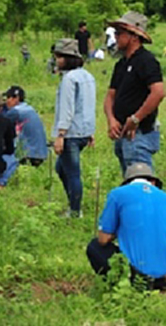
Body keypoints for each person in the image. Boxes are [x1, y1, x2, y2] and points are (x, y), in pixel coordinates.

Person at [87, 163, 166, 291]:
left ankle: (123, 285)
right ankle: (162, 286)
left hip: (137, 275)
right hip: (163, 277)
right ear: (153, 182)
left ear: (127, 182)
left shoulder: (117, 195)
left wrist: (121, 230)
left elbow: (103, 239)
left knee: (94, 247)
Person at [104, 11, 165, 174]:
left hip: (139, 134)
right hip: (122, 132)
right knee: (128, 179)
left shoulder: (146, 60)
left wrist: (136, 118)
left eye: (120, 33)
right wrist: (111, 120)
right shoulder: (121, 64)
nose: (116, 37)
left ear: (134, 36)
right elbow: (110, 96)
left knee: (140, 181)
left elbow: (158, 92)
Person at [53, 38, 97, 217]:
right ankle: (73, 202)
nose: (56, 60)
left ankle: (75, 210)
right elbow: (89, 104)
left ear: (67, 58)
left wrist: (60, 134)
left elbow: (67, 107)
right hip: (84, 131)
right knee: (61, 168)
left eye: (59, 56)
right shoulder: (88, 76)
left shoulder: (69, 79)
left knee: (72, 173)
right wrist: (91, 131)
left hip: (70, 132)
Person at [3, 85, 48, 167]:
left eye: (8, 97)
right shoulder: (29, 108)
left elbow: (0, 126)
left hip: (29, 154)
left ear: (16, 98)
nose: (6, 101)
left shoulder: (15, 112)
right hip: (41, 152)